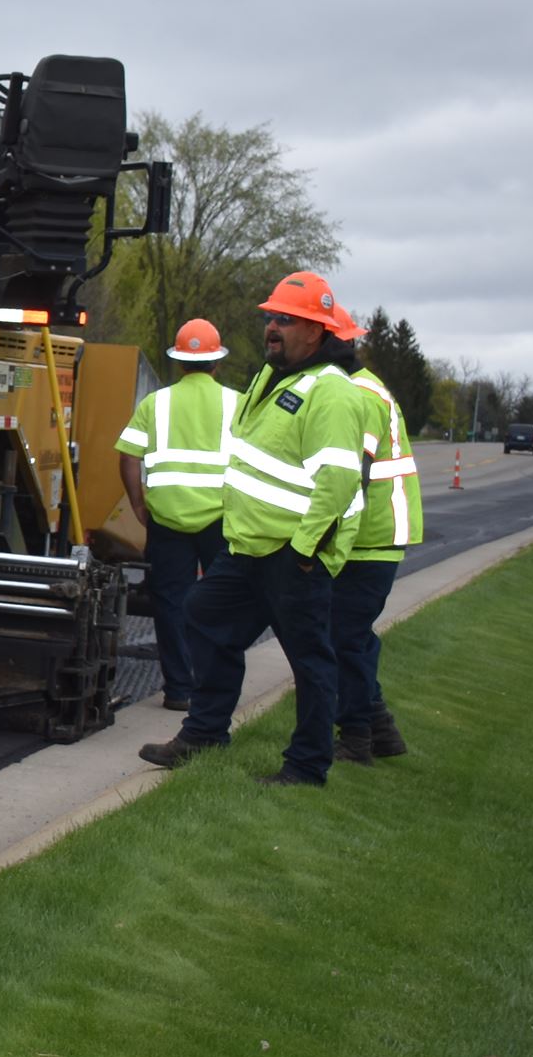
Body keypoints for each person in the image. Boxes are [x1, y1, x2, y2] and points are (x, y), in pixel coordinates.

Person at [137, 273, 368, 787]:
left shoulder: (331, 392)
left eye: (286, 319)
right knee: (203, 614)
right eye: (270, 317)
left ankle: (306, 767)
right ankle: (204, 733)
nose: (272, 327)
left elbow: (338, 482)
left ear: (316, 331)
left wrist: (304, 551)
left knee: (309, 660)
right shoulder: (272, 375)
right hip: (248, 548)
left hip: (292, 553)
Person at [113, 319, 239, 710]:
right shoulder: (238, 404)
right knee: (222, 602)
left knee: (170, 603)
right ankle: (214, 685)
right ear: (217, 362)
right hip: (221, 518)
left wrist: (138, 503)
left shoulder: (156, 403)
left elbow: (128, 456)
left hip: (166, 518)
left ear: (179, 362)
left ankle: (179, 690)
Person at [334, 349, 423, 763]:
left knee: (346, 639)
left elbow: (355, 474)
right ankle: (380, 730)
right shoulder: (363, 387)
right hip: (373, 537)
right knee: (351, 637)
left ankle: (357, 738)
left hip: (371, 537)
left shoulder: (360, 395)